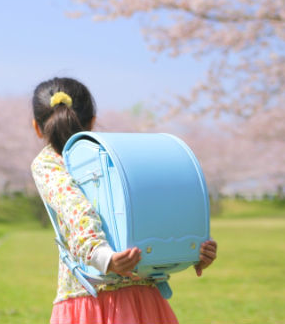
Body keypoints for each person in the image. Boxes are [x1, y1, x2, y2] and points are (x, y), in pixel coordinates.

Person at [30, 77, 217, 324]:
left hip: (90, 296)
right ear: (93, 121)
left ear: (36, 126)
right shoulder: (116, 154)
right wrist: (192, 248)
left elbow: (74, 209)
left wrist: (103, 257)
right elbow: (158, 206)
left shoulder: (48, 163)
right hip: (144, 299)